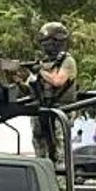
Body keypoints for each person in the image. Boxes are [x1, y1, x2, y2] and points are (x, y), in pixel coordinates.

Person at [28, 21, 78, 164]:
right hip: (42, 111)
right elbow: (30, 89)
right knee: (40, 147)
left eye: (48, 41)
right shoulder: (43, 62)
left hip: (61, 111)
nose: (46, 45)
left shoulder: (67, 61)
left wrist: (40, 71)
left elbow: (58, 81)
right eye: (43, 42)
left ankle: (61, 184)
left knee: (59, 151)